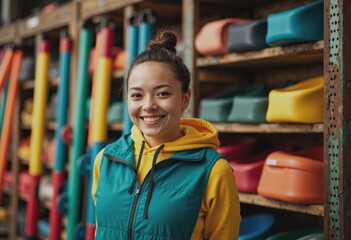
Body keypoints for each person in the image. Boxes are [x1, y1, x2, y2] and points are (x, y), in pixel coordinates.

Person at [92, 29, 241, 239]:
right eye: (137, 95)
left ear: (185, 99)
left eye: (163, 93)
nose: (148, 105)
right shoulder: (106, 159)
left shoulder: (214, 171)